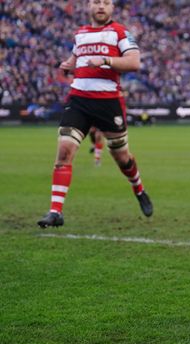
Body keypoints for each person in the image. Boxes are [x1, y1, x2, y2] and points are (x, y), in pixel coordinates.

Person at [37, 0, 152, 228]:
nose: (101, 6)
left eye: (106, 3)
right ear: (89, 6)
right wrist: (68, 64)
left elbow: (134, 62)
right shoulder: (80, 34)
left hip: (108, 102)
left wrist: (106, 60)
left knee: (122, 157)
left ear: (112, 8)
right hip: (78, 100)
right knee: (64, 150)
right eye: (96, 2)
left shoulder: (120, 32)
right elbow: (75, 59)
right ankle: (55, 211)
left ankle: (139, 189)